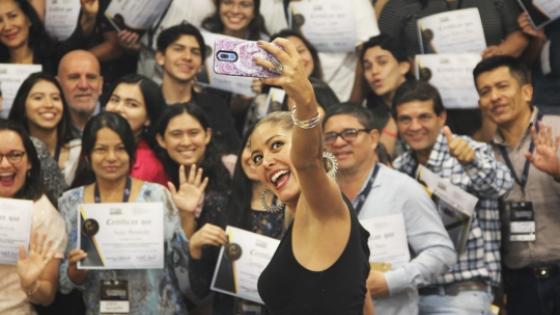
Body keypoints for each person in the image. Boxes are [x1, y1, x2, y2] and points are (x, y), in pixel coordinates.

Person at [249, 38, 370, 314]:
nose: (266, 161)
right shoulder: (296, 213)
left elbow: (306, 163)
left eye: (276, 145)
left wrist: (304, 96)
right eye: (257, 157)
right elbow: (364, 301)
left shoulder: (323, 204)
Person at [391, 80, 513, 314]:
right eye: (405, 119)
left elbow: (503, 185)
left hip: (461, 294)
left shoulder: (467, 150)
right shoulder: (399, 167)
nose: (415, 126)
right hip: (411, 295)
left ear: (442, 118)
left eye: (424, 117)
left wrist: (471, 162)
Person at [323, 103, 456, 315]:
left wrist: (390, 281)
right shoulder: (318, 194)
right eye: (330, 136)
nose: (339, 142)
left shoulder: (403, 189)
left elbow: (442, 253)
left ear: (374, 138)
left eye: (350, 133)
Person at [58, 112, 197, 315]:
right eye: (101, 149)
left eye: (120, 149)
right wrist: (73, 273)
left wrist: (186, 215)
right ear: (87, 156)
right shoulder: (70, 203)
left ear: (131, 154)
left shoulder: (156, 196)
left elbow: (181, 263)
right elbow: (63, 282)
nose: (111, 157)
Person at [473, 56, 560, 315]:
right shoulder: (484, 156)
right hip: (521, 284)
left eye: (502, 86)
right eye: (485, 91)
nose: (495, 97)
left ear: (526, 91)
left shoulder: (557, 130)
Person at [187, 125, 286, 315]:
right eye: (250, 147)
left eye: (270, 148)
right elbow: (201, 290)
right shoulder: (218, 204)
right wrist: (195, 248)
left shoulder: (297, 210)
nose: (254, 156)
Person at [0, 119, 67, 314]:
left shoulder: (43, 213)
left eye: (15, 155)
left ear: (29, 161)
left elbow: (47, 296)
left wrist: (31, 283)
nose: (4, 164)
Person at [155, 23, 240, 153]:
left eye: (195, 52)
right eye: (178, 49)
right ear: (160, 57)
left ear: (201, 65)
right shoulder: (147, 105)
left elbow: (234, 153)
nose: (187, 57)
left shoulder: (216, 106)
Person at [155, 103, 235, 238]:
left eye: (193, 133)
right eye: (176, 134)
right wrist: (186, 214)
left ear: (207, 135)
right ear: (161, 140)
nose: (186, 142)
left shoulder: (231, 166)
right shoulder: (156, 179)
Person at [245, 29, 339, 135]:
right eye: (286, 55)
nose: (297, 60)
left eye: (301, 51)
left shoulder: (323, 89)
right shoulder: (267, 98)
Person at [378, 0, 528, 59]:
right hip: (424, 93)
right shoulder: (400, 5)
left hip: (489, 80)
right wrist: (408, 65)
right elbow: (381, 49)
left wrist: (500, 51)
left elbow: (519, 32)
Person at [9, 72, 80, 186]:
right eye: (38, 98)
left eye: (55, 98)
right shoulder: (7, 153)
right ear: (22, 105)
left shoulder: (79, 152)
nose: (49, 104)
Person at [0, 0, 99, 74]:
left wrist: (89, 15)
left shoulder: (53, 56)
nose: (7, 26)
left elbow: (78, 38)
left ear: (28, 19)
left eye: (13, 16)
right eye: (0, 21)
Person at [104, 74, 167, 186]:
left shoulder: (150, 166)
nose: (118, 108)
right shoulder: (88, 144)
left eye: (132, 104)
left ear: (148, 118)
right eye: (114, 100)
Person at [357, 35, 413, 156]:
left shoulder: (426, 102)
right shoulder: (368, 115)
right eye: (368, 66)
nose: (374, 71)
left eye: (382, 62)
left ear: (404, 66)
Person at [56, 50, 104, 136]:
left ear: (101, 85)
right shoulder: (49, 128)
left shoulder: (118, 125)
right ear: (58, 85)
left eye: (91, 77)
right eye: (74, 78)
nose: (83, 85)